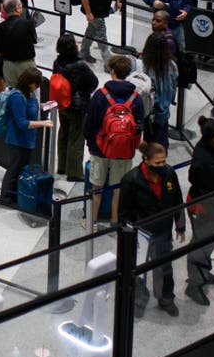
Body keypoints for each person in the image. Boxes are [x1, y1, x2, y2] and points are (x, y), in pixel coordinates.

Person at [119, 142, 186, 318]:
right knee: (139, 272)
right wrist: (129, 234)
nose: (162, 166)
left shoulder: (169, 173)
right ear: (146, 160)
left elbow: (177, 199)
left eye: (164, 161)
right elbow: (124, 213)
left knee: (165, 267)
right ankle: (138, 301)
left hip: (163, 231)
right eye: (157, 163)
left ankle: (166, 299)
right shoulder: (131, 180)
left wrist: (180, 225)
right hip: (140, 235)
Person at [84, 55, 146, 225]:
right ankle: (114, 220)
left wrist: (91, 144)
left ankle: (92, 222)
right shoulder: (136, 98)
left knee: (96, 188)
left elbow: (90, 124)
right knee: (118, 188)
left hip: (100, 149)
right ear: (128, 73)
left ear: (112, 71)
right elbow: (139, 125)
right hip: (124, 151)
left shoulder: (100, 95)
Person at [184, 116, 214, 306]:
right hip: (205, 207)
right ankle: (194, 284)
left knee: (208, 241)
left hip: (213, 207)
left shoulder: (207, 145)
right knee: (199, 244)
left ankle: (203, 272)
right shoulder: (206, 163)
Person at [0, 68, 53, 207]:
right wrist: (43, 123)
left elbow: (31, 106)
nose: (39, 87)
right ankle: (5, 199)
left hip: (28, 140)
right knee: (14, 169)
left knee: (21, 168)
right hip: (17, 140)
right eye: (37, 84)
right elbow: (22, 123)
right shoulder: (16, 97)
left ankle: (17, 195)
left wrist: (43, 106)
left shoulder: (30, 93)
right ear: (29, 83)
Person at [52, 34, 98, 182]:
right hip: (77, 106)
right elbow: (93, 82)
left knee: (63, 133)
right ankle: (74, 172)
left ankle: (62, 166)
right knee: (76, 138)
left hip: (62, 104)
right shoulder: (81, 65)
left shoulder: (57, 62)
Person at [139, 31, 178, 146]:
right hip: (164, 111)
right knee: (162, 139)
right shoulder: (172, 65)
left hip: (150, 112)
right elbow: (173, 88)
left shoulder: (144, 66)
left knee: (150, 142)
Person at [0, 0, 37, 88]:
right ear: (18, 8)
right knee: (30, 92)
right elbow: (34, 40)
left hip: (9, 65)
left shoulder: (0, 27)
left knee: (12, 94)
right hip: (27, 65)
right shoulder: (28, 23)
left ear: (4, 10)